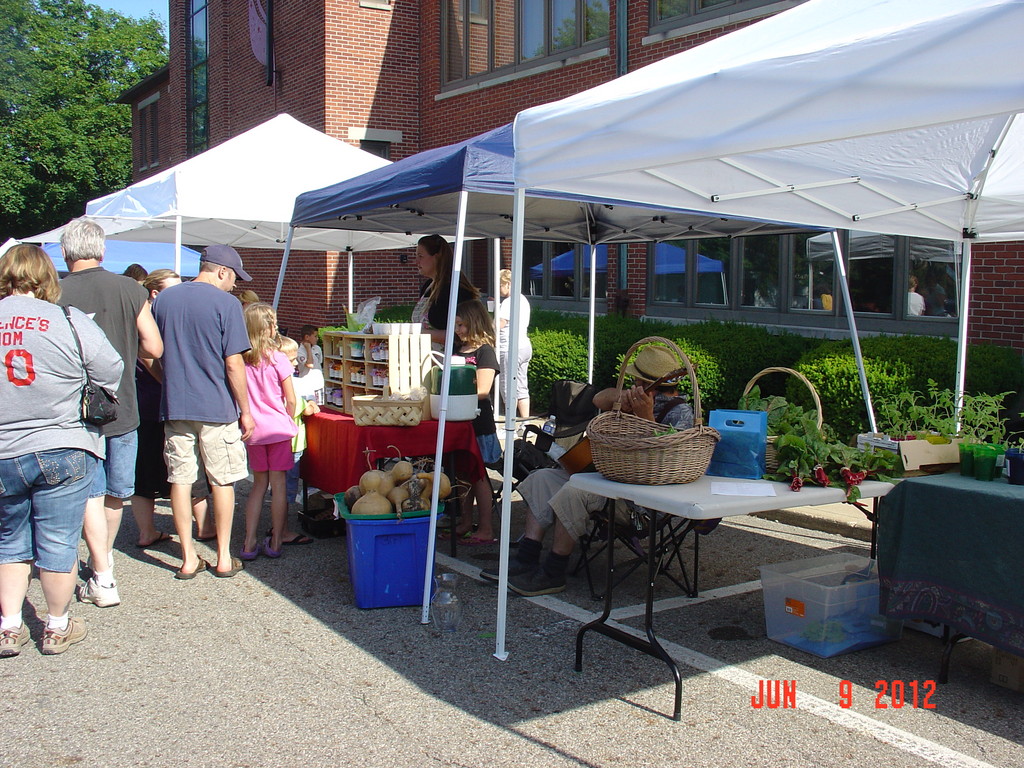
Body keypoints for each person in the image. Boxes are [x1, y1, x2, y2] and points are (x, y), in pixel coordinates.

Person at [484, 344, 695, 596]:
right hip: (611, 482)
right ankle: (526, 558)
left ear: (644, 380)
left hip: (641, 504)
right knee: (542, 478)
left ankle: (553, 572)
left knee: (576, 490)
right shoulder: (634, 396)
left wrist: (646, 418)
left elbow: (666, 462)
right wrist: (622, 399)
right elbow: (598, 399)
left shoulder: (680, 412)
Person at [0, 245, 122, 655]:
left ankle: (10, 625)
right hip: (62, 442)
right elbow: (111, 369)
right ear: (46, 277)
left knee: (9, 542)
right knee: (58, 540)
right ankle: (56, 625)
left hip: (3, 448)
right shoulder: (68, 320)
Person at [58, 217, 163, 609]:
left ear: (67, 252)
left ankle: (98, 565)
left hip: (71, 410)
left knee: (85, 492)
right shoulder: (129, 289)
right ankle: (105, 561)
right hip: (122, 406)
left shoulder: (53, 291)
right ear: (102, 251)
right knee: (115, 494)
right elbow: (154, 346)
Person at [151, 244, 254, 579]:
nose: (235, 284)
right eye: (234, 277)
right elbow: (234, 363)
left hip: (176, 406)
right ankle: (223, 557)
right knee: (222, 480)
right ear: (221, 271)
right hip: (217, 407)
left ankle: (188, 558)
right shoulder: (227, 304)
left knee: (180, 481)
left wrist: (167, 381)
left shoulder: (164, 298)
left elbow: (149, 352)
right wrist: (247, 410)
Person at [129, 269, 216, 548]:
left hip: (163, 404)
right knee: (165, 471)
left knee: (183, 469)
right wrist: (169, 381)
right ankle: (149, 531)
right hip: (153, 404)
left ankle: (201, 525)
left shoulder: (163, 314)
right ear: (154, 293)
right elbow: (146, 357)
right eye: (173, 289)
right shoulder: (150, 318)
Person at [239, 303, 298, 560]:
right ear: (268, 327)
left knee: (258, 486)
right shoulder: (278, 358)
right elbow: (292, 399)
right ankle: (275, 540)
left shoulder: (240, 359)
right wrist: (289, 417)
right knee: (279, 486)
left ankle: (249, 541)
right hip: (277, 428)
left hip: (253, 430)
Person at [445, 300, 500, 545]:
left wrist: (455, 391)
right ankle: (466, 522)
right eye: (456, 324)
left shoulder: (485, 351)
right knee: (462, 475)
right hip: (458, 422)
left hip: (478, 422)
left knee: (479, 476)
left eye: (461, 324)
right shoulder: (458, 349)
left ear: (474, 322)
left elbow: (483, 390)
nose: (457, 329)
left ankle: (486, 529)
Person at [279, 336, 320, 528]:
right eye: (292, 360)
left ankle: (278, 517)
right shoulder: (290, 385)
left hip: (276, 441)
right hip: (292, 442)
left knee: (277, 480)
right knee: (288, 483)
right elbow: (305, 409)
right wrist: (311, 403)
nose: (296, 363)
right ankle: (281, 523)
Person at [412, 235, 480, 346]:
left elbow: (463, 333)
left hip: (447, 357)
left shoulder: (455, 290)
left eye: (420, 256)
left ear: (437, 257)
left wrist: (419, 333)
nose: (416, 261)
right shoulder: (428, 286)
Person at [496, 268, 532, 418]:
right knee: (522, 386)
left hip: (510, 348)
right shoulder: (523, 299)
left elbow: (500, 324)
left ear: (508, 284)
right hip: (524, 345)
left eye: (500, 285)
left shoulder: (508, 302)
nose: (498, 288)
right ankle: (525, 422)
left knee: (507, 387)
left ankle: (509, 423)